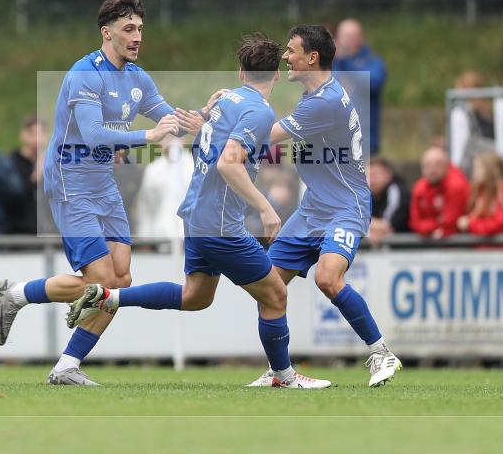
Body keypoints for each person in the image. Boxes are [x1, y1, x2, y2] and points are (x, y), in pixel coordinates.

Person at [67, 35, 331, 389]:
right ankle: (282, 376)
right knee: (276, 294)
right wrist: (266, 208)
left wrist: (205, 118)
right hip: (221, 225)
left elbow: (211, 143)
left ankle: (108, 296)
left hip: (196, 217)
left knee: (196, 296)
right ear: (276, 75)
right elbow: (228, 163)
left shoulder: (226, 100)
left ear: (241, 72)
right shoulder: (259, 111)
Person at [0, 0, 215, 386]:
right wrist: (147, 136)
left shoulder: (137, 78)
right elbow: (93, 134)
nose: (137, 36)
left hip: (103, 183)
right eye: (128, 28)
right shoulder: (85, 74)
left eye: (140, 28)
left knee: (120, 281)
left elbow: (169, 118)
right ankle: (18, 295)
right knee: (102, 282)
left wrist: (204, 116)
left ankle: (66, 365)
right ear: (106, 33)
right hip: (70, 182)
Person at [235, 24, 401, 388]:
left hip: (345, 206)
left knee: (328, 278)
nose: (285, 57)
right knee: (268, 286)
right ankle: (280, 373)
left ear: (312, 58)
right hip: (313, 208)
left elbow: (268, 136)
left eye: (291, 50)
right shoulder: (316, 95)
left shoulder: (324, 102)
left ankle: (381, 353)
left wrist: (225, 116)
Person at [332, 19, 387, 154]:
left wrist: (344, 61)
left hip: (364, 143)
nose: (350, 40)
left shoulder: (374, 63)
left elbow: (372, 84)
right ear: (337, 39)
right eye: (346, 36)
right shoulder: (328, 66)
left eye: (354, 36)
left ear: (362, 38)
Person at [456, 151, 503, 242]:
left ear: (490, 169)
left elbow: (502, 223)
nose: (475, 172)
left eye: (478, 168)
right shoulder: (479, 190)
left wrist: (471, 224)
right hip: (486, 247)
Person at [134, 133, 194, 239]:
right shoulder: (153, 170)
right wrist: (145, 237)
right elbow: (146, 207)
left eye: (176, 137)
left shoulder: (193, 165)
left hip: (190, 234)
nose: (171, 142)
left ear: (184, 140)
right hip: (161, 235)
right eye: (167, 137)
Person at [409, 146, 470, 239]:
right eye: (427, 165)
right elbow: (415, 223)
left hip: (458, 242)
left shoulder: (456, 185)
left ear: (447, 166)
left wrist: (428, 226)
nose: (432, 170)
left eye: (438, 164)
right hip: (431, 241)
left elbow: (450, 222)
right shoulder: (419, 188)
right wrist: (436, 223)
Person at [6, 116, 48, 235]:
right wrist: (37, 172)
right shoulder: (12, 161)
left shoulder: (50, 162)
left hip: (46, 229)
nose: (37, 139)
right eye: (33, 133)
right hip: (21, 230)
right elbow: (17, 195)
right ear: (23, 135)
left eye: (41, 133)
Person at [449, 70, 495, 176]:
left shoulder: (461, 112)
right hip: (490, 162)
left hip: (472, 166)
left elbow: (461, 143)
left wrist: (455, 171)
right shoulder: (488, 110)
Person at [368, 157, 411, 244]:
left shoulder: (396, 191)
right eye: (368, 176)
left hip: (407, 247)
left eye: (375, 175)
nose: (371, 180)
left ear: (388, 175)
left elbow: (387, 226)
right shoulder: (367, 193)